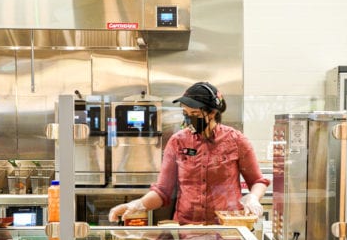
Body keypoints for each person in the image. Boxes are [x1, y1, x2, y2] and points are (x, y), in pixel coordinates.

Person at [108, 81, 269, 225]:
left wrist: (253, 198)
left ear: (212, 113)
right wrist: (137, 204)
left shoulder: (236, 140)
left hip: (227, 229)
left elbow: (257, 180)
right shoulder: (177, 141)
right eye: (186, 114)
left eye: (195, 115)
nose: (189, 120)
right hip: (188, 230)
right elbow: (162, 191)